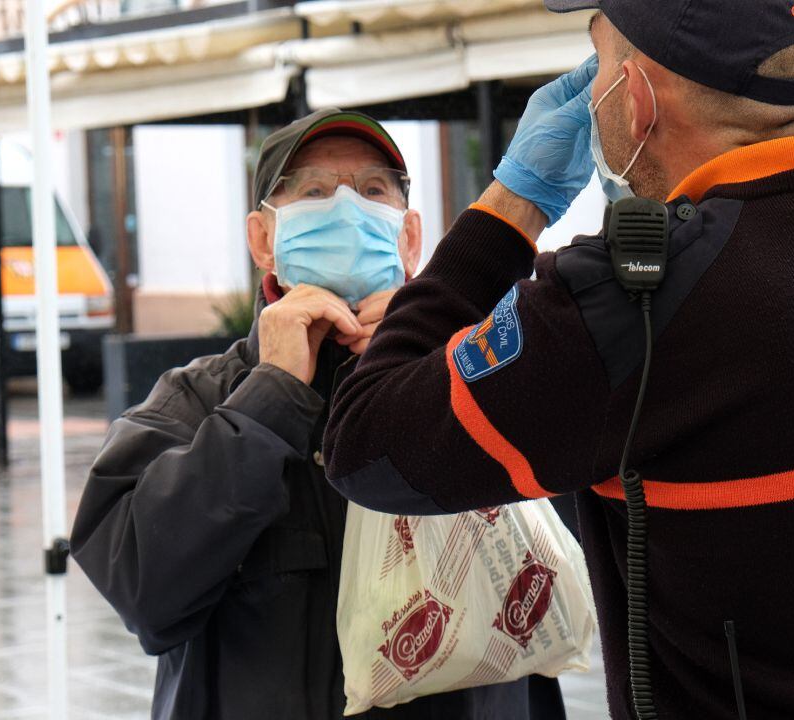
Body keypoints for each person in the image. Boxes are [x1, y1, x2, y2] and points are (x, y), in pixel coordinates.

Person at [323, 1, 794, 719]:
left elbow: (368, 445)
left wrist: (510, 206)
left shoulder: (623, 307)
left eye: (599, 60)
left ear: (633, 99)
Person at [70, 109, 566, 720]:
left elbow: (562, 549)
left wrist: (439, 365)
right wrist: (272, 393)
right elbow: (145, 592)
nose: (346, 211)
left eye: (372, 190)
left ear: (409, 238)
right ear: (263, 240)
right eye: (313, 192)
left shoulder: (473, 369)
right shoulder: (191, 403)